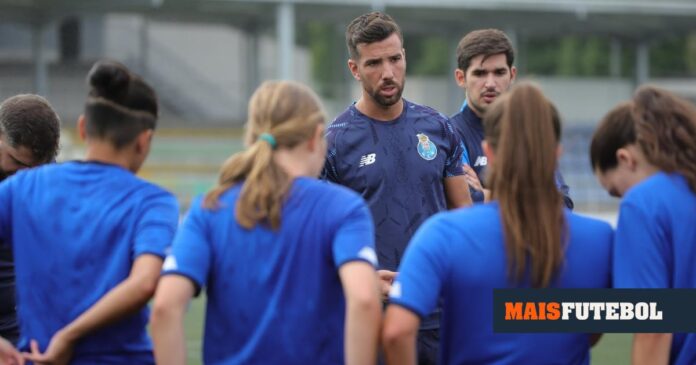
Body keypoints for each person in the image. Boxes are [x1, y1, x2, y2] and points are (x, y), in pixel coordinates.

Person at [150, 81, 381, 365]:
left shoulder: (209, 208)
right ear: (315, 137)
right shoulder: (342, 207)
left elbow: (164, 307)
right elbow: (364, 300)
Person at [383, 83, 612, 365]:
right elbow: (606, 326)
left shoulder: (444, 235)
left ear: (488, 152)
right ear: (556, 154)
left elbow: (396, 332)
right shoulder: (601, 241)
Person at [0, 60, 179, 365]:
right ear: (144, 140)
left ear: (83, 127)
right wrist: (70, 336)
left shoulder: (22, 189)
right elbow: (145, 283)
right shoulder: (154, 202)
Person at [323, 12, 471, 364]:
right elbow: (319, 239)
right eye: (374, 63)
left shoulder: (438, 127)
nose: (388, 72)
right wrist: (363, 278)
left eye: (395, 59)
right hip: (372, 318)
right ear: (355, 69)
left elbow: (464, 219)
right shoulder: (335, 143)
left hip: (439, 311)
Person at [590, 85, 696, 365]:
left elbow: (654, 325)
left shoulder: (643, 203)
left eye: (615, 190)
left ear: (625, 159)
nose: (621, 198)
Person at [450, 28, 574, 208]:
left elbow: (562, 204)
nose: (490, 84)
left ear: (512, 75)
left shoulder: (532, 130)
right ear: (461, 78)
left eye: (499, 72)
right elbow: (464, 203)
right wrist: (531, 196)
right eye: (480, 73)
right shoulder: (449, 133)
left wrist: (488, 195)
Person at [0, 94, 61, 346]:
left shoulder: (50, 180)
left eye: (35, 168)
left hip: (32, 340)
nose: (25, 177)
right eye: (16, 161)